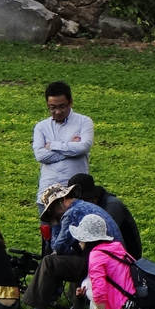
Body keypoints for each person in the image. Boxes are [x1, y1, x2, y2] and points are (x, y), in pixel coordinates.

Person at [21, 183, 123, 309]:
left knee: (50, 262)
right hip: (113, 260)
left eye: (52, 210)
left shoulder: (71, 213)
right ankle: (77, 307)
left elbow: (58, 247)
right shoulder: (86, 207)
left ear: (61, 201)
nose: (53, 214)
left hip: (101, 261)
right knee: (74, 257)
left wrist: (55, 224)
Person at [71, 214, 155, 309]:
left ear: (88, 240)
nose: (79, 241)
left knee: (88, 283)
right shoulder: (116, 248)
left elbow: (99, 290)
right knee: (90, 283)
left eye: (81, 238)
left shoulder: (96, 255)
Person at [33, 81, 94, 215]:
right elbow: (40, 156)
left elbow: (84, 147)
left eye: (62, 107)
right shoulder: (41, 127)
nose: (57, 111)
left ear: (70, 102)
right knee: (48, 234)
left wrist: (53, 145)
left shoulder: (84, 122)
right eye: (52, 107)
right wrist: (71, 147)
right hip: (47, 192)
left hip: (76, 193)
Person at [66, 173, 142, 258]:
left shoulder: (112, 206)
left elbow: (101, 236)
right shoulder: (93, 205)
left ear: (90, 198)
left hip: (124, 257)